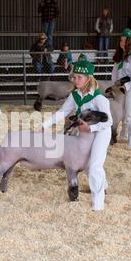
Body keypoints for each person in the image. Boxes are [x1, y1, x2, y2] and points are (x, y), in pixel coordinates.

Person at [42, 60, 112, 211]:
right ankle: (103, 186)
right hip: (85, 131)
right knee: (87, 162)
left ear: (89, 78)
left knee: (94, 166)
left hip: (101, 132)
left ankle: (98, 204)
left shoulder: (99, 98)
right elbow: (63, 112)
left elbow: (109, 121)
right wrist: (45, 125)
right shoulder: (75, 95)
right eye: (75, 77)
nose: (76, 80)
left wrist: (91, 129)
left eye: (80, 77)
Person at [111, 28, 131, 149]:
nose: (121, 42)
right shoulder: (119, 57)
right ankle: (123, 135)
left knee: (130, 115)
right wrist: (115, 85)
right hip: (119, 89)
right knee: (122, 114)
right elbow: (114, 74)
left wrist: (127, 86)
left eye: (124, 40)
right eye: (121, 40)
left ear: (130, 42)